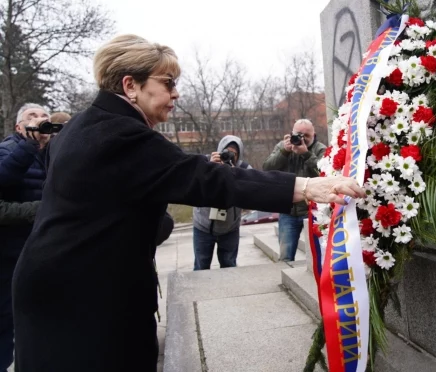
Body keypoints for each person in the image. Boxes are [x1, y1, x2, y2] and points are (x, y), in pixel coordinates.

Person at [10, 34, 363, 372]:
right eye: (168, 83)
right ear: (130, 85)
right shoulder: (120, 135)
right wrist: (306, 185)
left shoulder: (80, 127)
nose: (176, 93)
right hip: (86, 301)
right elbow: (203, 177)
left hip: (55, 286)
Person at [0, 103, 51, 371]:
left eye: (45, 116)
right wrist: (27, 146)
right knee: (7, 323)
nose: (40, 119)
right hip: (9, 255)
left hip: (40, 251)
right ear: (19, 127)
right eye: (32, 116)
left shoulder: (52, 155)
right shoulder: (10, 149)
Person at [263, 119, 326, 261]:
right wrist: (284, 152)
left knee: (317, 255)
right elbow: (267, 168)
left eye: (306, 136)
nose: (301, 139)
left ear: (314, 134)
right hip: (288, 210)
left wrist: (306, 154)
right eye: (298, 134)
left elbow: (324, 174)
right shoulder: (283, 147)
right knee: (285, 256)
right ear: (291, 133)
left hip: (312, 211)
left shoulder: (320, 149)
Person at [192, 135, 250, 270]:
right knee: (201, 266)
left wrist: (234, 172)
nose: (229, 156)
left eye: (233, 154)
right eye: (226, 152)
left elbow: (253, 190)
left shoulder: (244, 168)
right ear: (220, 151)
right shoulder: (207, 162)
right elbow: (194, 185)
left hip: (230, 228)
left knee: (229, 266)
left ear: (239, 155)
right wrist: (210, 168)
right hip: (203, 226)